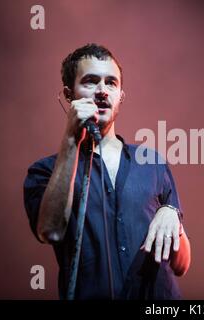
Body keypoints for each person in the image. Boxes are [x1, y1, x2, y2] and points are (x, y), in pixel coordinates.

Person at [23, 43, 191, 300]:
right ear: (69, 95)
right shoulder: (44, 171)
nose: (102, 91)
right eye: (91, 82)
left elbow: (181, 265)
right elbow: (51, 231)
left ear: (121, 95)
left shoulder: (152, 163)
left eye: (111, 83)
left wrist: (174, 220)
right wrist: (71, 137)